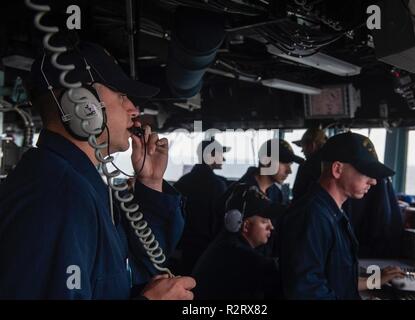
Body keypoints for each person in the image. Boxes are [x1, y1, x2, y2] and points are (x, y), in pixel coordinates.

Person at [0, 42, 195, 299]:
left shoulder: (82, 184)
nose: (134, 110)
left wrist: (150, 182)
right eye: (121, 96)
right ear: (82, 105)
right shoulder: (60, 197)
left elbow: (134, 270)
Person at [281, 132, 404, 300]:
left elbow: (338, 281)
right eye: (366, 172)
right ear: (337, 169)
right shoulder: (312, 217)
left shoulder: (332, 212)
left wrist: (376, 280)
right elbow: (307, 292)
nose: (374, 181)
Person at [192, 184, 281, 299]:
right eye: (264, 221)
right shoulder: (237, 255)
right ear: (246, 226)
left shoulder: (224, 245)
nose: (271, 227)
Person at [174, 137, 230, 274]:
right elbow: (220, 222)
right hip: (207, 249)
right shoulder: (217, 185)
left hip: (184, 248)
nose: (223, 159)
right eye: (220, 154)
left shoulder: (183, 182)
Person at [291, 128, 327, 202]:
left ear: (312, 145)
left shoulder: (306, 166)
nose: (302, 150)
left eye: (303, 146)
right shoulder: (332, 164)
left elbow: (298, 194)